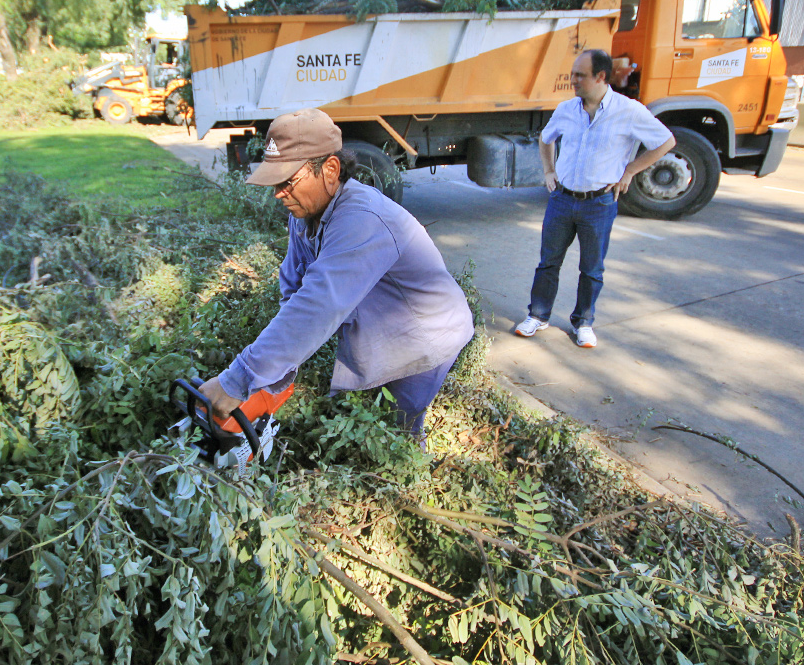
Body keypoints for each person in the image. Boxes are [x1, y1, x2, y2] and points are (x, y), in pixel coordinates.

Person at [199, 108, 474, 442]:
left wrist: (237, 380)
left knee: (398, 431)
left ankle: (414, 462)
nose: (278, 193)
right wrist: (275, 370)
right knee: (370, 416)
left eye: (287, 181)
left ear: (330, 169)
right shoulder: (303, 214)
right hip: (387, 325)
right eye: (275, 182)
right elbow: (295, 289)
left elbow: (319, 305)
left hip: (426, 334)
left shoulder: (362, 219)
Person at [514, 49, 675, 348]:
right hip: (562, 200)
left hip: (599, 203)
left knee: (592, 268)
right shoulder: (566, 109)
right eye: (573, 74)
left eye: (580, 75)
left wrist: (630, 171)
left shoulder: (629, 111)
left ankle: (584, 322)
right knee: (548, 263)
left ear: (600, 77)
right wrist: (549, 170)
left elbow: (666, 141)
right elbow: (546, 138)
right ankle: (538, 315)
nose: (572, 80)